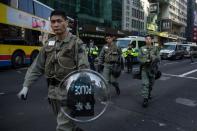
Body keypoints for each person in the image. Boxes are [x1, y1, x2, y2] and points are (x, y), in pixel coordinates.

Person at [17, 10, 89, 131]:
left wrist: (80, 89)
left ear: (66, 22)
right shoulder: (49, 44)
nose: (55, 25)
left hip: (69, 93)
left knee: (62, 127)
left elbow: (84, 68)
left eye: (59, 21)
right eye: (53, 22)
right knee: (64, 122)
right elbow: (37, 66)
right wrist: (26, 86)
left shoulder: (76, 43)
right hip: (52, 93)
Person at [138, 35, 160, 108]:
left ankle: (149, 93)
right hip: (144, 69)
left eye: (149, 39)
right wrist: (145, 61)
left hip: (152, 70)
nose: (147, 40)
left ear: (151, 40)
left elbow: (159, 58)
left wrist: (153, 58)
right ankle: (145, 99)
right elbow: (139, 58)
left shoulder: (155, 48)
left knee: (151, 84)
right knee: (145, 84)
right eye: (146, 39)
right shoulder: (142, 48)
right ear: (145, 40)